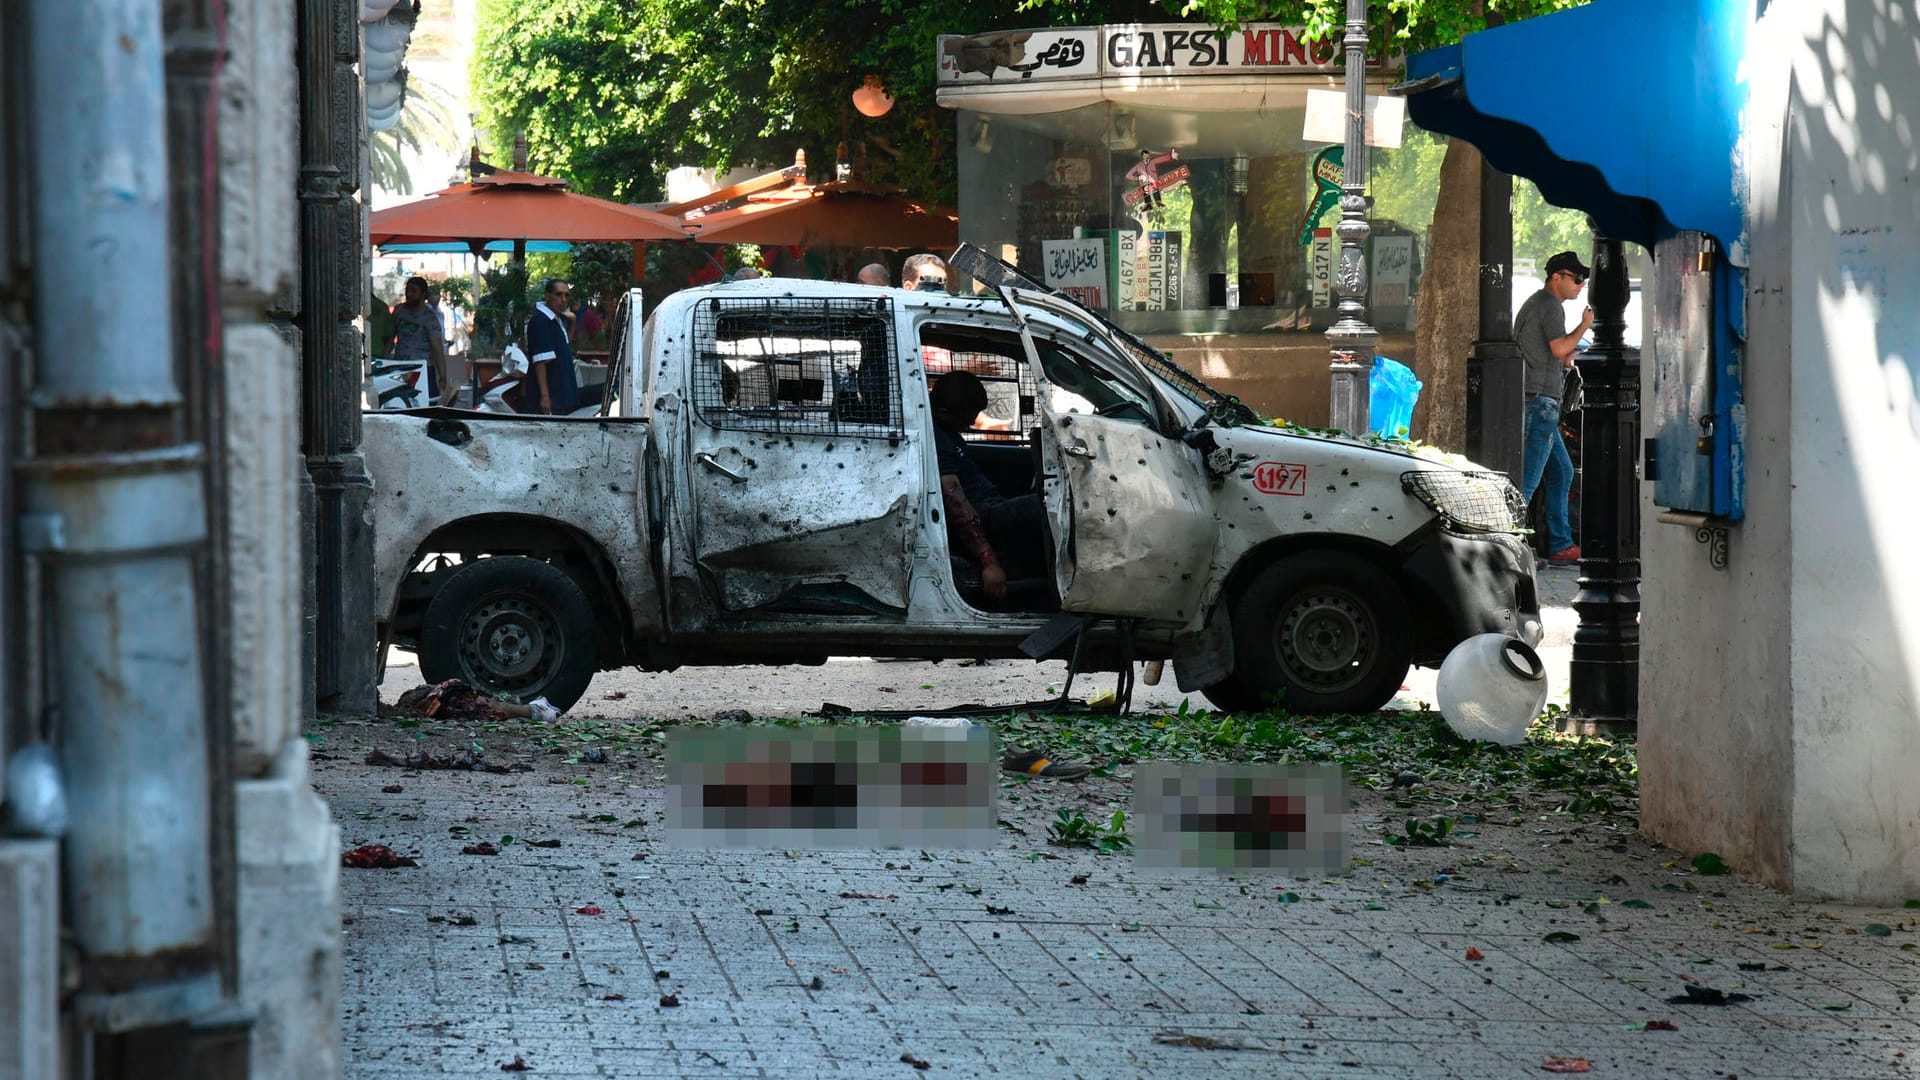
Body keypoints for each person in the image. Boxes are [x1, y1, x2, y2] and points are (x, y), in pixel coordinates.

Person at [928, 371, 1050, 604]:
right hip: (985, 516)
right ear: (944, 412)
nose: (972, 423)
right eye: (968, 417)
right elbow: (954, 502)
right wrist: (989, 562)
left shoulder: (946, 432)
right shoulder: (938, 440)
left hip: (991, 507)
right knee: (1049, 503)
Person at [1514, 250, 1593, 567]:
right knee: (1528, 481)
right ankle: (1512, 545)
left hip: (1543, 401)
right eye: (1576, 279)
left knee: (1561, 472)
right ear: (1557, 277)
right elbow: (1560, 347)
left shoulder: (1539, 304)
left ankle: (1560, 544)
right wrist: (1585, 325)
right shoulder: (1549, 306)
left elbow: (1557, 354)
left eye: (1583, 280)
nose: (1580, 285)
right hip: (1540, 403)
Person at [392, 276, 455, 406]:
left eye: (414, 291)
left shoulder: (430, 318)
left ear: (423, 295)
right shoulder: (399, 311)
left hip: (423, 371)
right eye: (407, 290)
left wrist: (442, 377)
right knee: (399, 405)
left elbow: (437, 349)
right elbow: (390, 336)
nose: (409, 294)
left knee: (424, 406)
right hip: (400, 367)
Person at [525, 276, 582, 415]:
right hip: (551, 397)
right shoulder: (541, 321)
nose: (563, 300)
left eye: (566, 295)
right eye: (559, 295)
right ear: (547, 296)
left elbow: (564, 344)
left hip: (562, 394)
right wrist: (545, 397)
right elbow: (540, 361)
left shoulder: (556, 319)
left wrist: (573, 321)